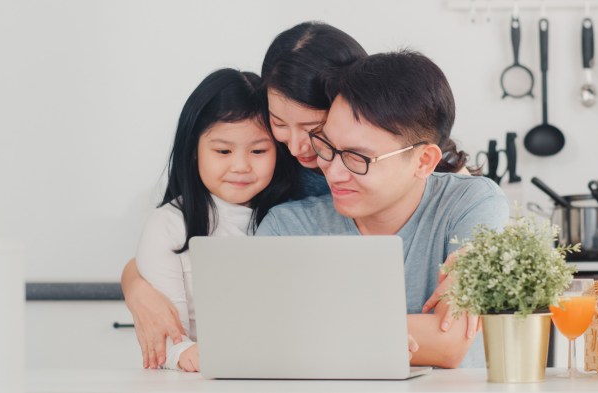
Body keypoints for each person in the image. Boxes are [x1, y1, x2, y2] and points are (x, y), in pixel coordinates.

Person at [122, 21, 478, 369]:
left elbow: (463, 200)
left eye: (315, 129)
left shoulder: (433, 179)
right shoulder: (272, 176)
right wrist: (137, 286)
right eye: (279, 124)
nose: (296, 146)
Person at [255, 50, 510, 367]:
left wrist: (315, 332)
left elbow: (449, 341)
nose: (332, 172)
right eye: (328, 147)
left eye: (357, 158)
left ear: (423, 161)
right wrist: (375, 335)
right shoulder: (288, 227)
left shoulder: (472, 204)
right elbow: (257, 337)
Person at [134, 68, 296, 371]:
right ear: (194, 151)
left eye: (259, 150)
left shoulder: (291, 217)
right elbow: (168, 337)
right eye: (223, 150)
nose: (240, 166)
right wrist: (188, 353)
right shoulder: (169, 225)